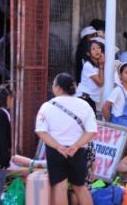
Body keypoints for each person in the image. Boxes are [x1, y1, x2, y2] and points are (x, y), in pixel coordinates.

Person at [35, 73, 97, 205]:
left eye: (53, 85)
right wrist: (76, 146)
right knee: (80, 187)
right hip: (78, 151)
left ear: (57, 88)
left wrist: (58, 146)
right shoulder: (85, 105)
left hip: (55, 151)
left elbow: (41, 131)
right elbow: (91, 131)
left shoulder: (46, 106)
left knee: (60, 187)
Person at [76, 40, 105, 113]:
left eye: (98, 48)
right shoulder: (88, 65)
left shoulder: (97, 64)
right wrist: (101, 66)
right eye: (93, 49)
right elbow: (100, 83)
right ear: (88, 53)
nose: (97, 50)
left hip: (90, 99)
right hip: (84, 98)